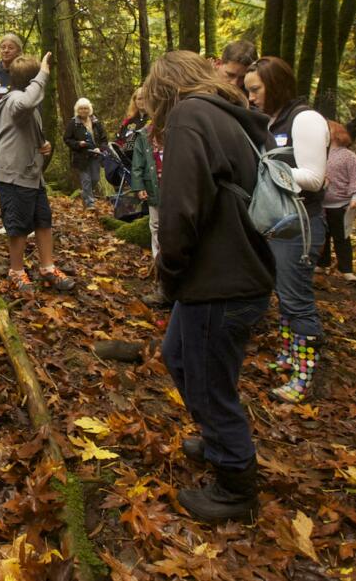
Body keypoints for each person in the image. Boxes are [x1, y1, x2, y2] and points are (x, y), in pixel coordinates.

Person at [146, 50, 275, 523]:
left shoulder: (188, 116)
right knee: (179, 356)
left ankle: (235, 482)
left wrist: (169, 272)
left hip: (219, 280)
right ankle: (218, 437)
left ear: (164, 88)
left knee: (209, 383)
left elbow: (181, 210)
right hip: (239, 275)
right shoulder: (231, 116)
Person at [244, 56, 328, 404]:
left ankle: (304, 375)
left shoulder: (305, 119)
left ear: (275, 84)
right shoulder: (270, 120)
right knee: (284, 297)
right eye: (247, 90)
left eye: (256, 89)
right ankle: (289, 355)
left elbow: (313, 176)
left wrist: (265, 172)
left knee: (298, 302)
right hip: (276, 224)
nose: (250, 97)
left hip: (301, 225)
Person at [0, 52, 75, 294]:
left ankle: (47, 268)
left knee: (42, 220)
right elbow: (25, 103)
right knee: (18, 226)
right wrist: (44, 73)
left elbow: (23, 131)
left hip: (31, 175)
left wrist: (42, 144)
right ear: (33, 81)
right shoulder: (14, 99)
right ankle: (16, 272)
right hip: (13, 174)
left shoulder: (26, 104)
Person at [318, 120, 356, 281]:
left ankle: (346, 269)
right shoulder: (318, 153)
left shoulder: (348, 156)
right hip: (319, 205)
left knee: (342, 237)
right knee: (321, 237)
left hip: (340, 205)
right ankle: (321, 263)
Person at [63, 98, 108, 209]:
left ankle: (85, 194)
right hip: (81, 156)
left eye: (86, 108)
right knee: (86, 180)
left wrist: (100, 148)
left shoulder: (96, 122)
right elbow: (67, 139)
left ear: (90, 109)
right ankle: (89, 203)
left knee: (95, 178)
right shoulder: (73, 123)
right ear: (77, 110)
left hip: (95, 155)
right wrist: (78, 143)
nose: (83, 111)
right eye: (81, 108)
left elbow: (104, 139)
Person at [129, 120, 162, 259]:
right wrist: (139, 186)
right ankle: (157, 259)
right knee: (155, 223)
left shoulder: (177, 128)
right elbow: (137, 164)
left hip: (174, 186)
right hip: (152, 186)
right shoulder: (144, 134)